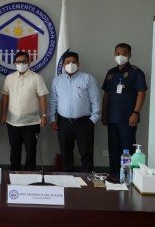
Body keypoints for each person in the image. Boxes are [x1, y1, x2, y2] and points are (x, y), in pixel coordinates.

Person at [49, 52, 101, 172]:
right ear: (63, 64)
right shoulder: (57, 80)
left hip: (84, 122)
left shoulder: (88, 78)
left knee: (86, 153)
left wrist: (93, 120)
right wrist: (52, 119)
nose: (70, 64)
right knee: (65, 153)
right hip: (63, 123)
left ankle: (88, 182)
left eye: (73, 62)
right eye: (67, 62)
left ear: (78, 64)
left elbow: (96, 100)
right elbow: (53, 101)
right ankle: (67, 181)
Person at [102, 43, 147, 173]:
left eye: (124, 53)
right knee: (113, 149)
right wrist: (104, 114)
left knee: (127, 150)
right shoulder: (111, 72)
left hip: (128, 119)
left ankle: (127, 176)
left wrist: (136, 113)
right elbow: (106, 94)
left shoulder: (136, 72)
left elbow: (142, 93)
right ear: (114, 54)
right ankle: (114, 175)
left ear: (130, 55)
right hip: (112, 118)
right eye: (118, 53)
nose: (120, 56)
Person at [0, 52, 48, 171]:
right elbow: (5, 96)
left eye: (24, 62)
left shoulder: (37, 78)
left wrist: (44, 115)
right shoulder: (9, 78)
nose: (21, 64)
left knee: (31, 151)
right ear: (14, 64)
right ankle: (14, 173)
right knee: (15, 150)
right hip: (12, 122)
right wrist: (2, 114)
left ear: (29, 62)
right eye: (18, 62)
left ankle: (29, 175)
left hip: (31, 123)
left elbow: (42, 96)